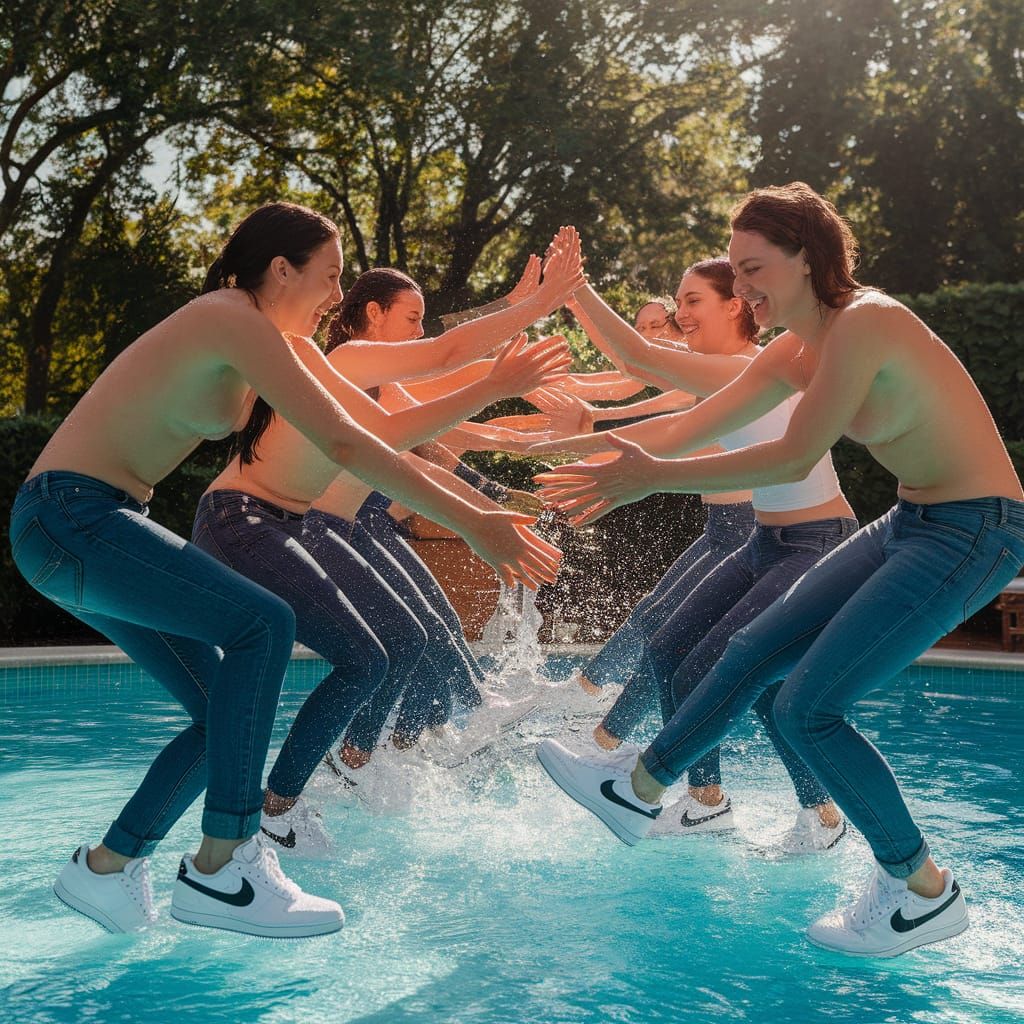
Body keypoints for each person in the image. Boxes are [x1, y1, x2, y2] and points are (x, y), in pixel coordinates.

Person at [7, 201, 545, 938]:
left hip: (82, 525)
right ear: (280, 268)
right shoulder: (228, 316)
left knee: (217, 715)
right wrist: (475, 522)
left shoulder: (268, 344)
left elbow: (379, 419)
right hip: (73, 516)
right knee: (265, 625)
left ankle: (106, 868)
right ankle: (224, 864)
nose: (335, 296)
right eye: (328, 276)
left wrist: (526, 314)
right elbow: (352, 448)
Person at [533, 182, 1024, 956]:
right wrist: (626, 462)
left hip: (976, 529)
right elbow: (704, 419)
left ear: (806, 257)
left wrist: (649, 474)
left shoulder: (866, 323)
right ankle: (638, 792)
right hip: (911, 519)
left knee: (806, 708)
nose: (744, 284)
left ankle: (922, 888)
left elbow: (795, 452)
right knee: (748, 651)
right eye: (736, 266)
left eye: (754, 266)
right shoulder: (797, 347)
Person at [192, 239, 581, 852]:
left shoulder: (326, 366)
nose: (335, 296)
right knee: (378, 653)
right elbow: (447, 361)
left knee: (403, 643)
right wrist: (532, 308)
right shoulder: (343, 358)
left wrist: (492, 499)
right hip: (271, 521)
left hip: (292, 524)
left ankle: (335, 769)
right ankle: (289, 799)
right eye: (329, 278)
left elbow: (406, 431)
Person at [532, 258, 854, 850]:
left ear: (735, 305)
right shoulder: (730, 380)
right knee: (668, 650)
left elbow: (639, 358)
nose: (680, 315)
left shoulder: (746, 367)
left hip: (814, 542)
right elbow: (668, 437)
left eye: (692, 301)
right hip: (765, 539)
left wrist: (573, 292)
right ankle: (712, 802)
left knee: (738, 673)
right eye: (678, 302)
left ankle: (800, 813)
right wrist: (578, 444)